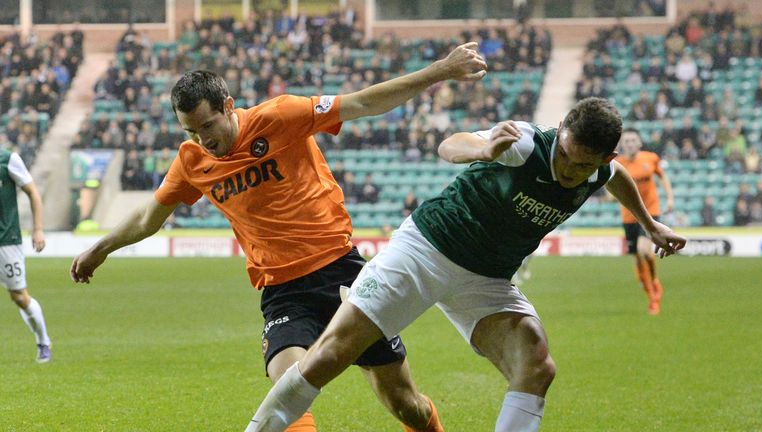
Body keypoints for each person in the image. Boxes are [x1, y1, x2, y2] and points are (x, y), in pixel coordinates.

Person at [71, 42, 488, 432]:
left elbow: (362, 102)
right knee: (289, 395)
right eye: (190, 132)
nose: (203, 140)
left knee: (406, 405)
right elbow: (149, 216)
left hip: (342, 275)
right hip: (283, 293)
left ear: (229, 106)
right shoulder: (192, 162)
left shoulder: (282, 116)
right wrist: (99, 249)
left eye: (207, 126)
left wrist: (441, 71)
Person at [246, 97, 687, 431]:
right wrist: (481, 149)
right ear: (560, 132)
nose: (569, 169)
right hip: (426, 249)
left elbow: (618, 179)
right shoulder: (527, 144)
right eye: (566, 155)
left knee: (537, 364)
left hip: (488, 278)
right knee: (332, 354)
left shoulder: (600, 170)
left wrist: (650, 225)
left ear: (604, 158)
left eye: (582, 165)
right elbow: (450, 144)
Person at [615, 128, 674, 315]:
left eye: (633, 140)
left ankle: (655, 284)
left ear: (639, 143)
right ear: (622, 145)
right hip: (629, 216)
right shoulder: (617, 164)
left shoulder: (651, 158)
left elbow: (663, 177)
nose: (630, 143)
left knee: (643, 250)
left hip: (650, 212)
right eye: (627, 141)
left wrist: (669, 198)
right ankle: (651, 294)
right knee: (638, 257)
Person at [0, 148, 50, 363]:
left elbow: (32, 192)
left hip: (6, 240)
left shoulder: (7, 159)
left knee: (20, 296)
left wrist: (37, 228)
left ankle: (43, 342)